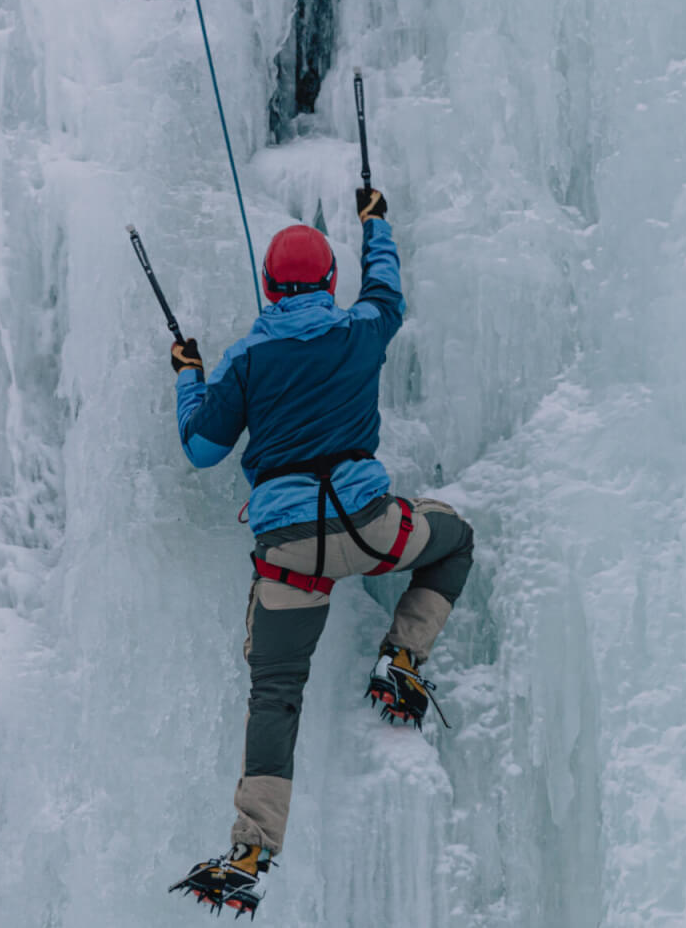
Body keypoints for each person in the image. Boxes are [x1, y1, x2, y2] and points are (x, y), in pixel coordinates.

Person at [166, 185, 475, 917]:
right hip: (370, 528)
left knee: (275, 693)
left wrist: (188, 375)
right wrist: (376, 224)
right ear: (331, 283)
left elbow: (201, 448)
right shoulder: (360, 329)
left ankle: (251, 850)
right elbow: (386, 293)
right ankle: (402, 660)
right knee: (453, 539)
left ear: (269, 286)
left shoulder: (246, 360)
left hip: (289, 553)